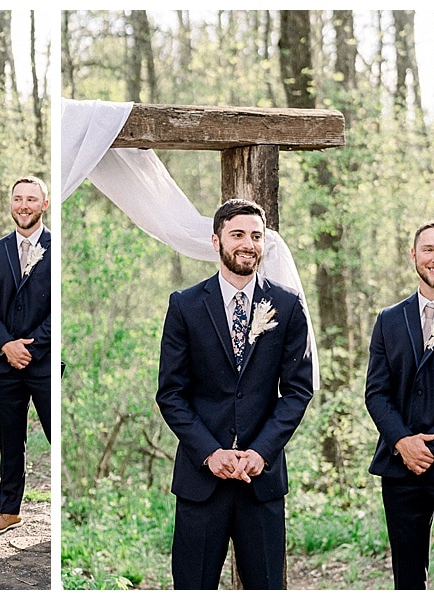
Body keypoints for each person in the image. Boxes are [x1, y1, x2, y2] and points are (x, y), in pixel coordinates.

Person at [155, 198, 314, 589]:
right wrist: (211, 452)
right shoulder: (185, 305)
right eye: (238, 234)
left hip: (261, 481)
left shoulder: (287, 304)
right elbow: (171, 393)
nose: (248, 243)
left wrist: (261, 452)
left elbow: (298, 390)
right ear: (216, 241)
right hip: (201, 480)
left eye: (256, 236)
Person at [364, 219, 434, 589]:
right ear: (414, 255)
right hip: (401, 469)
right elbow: (376, 393)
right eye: (429, 249)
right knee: (408, 579)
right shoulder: (389, 320)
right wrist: (402, 441)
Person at [0, 176, 52, 535]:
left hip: (44, 361)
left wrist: (32, 345)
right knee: (10, 438)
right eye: (18, 199)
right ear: (11, 204)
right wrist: (7, 345)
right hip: (4, 363)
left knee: (57, 435)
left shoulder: (58, 246)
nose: (24, 205)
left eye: (31, 199)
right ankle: (9, 510)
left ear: (44, 205)